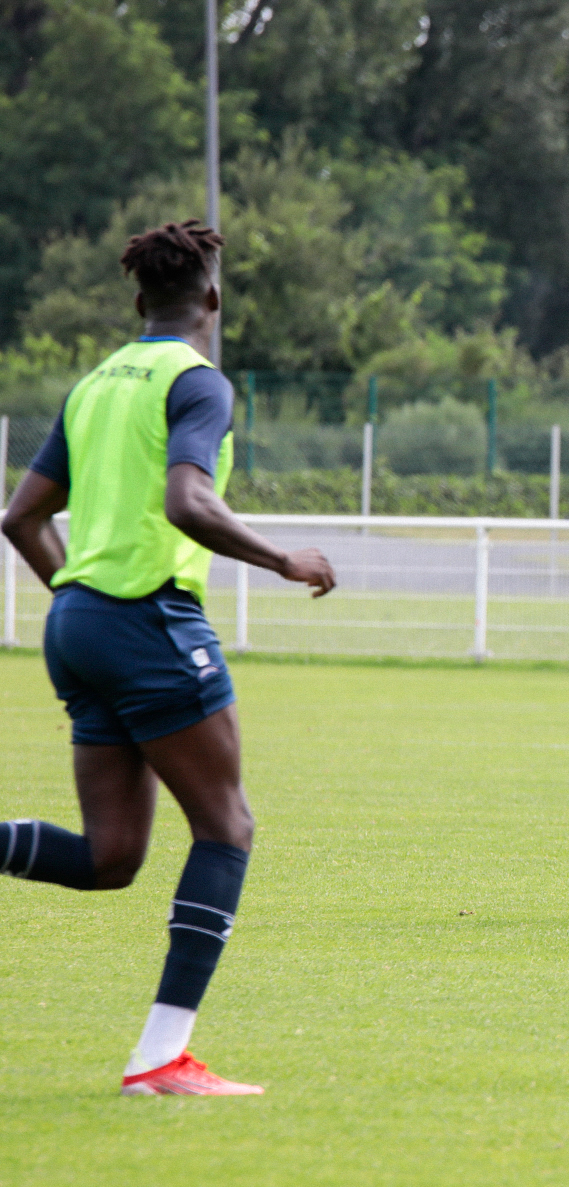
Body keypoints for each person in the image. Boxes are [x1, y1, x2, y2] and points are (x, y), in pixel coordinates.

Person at [1, 220, 336, 1095]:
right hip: (147, 622)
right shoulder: (198, 383)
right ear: (213, 301)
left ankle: (159, 1056)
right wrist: (283, 559)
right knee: (227, 828)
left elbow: (19, 518)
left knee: (112, 859)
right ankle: (160, 1057)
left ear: (137, 299)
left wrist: (80, 599)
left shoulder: (94, 385)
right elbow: (187, 501)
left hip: (75, 624)